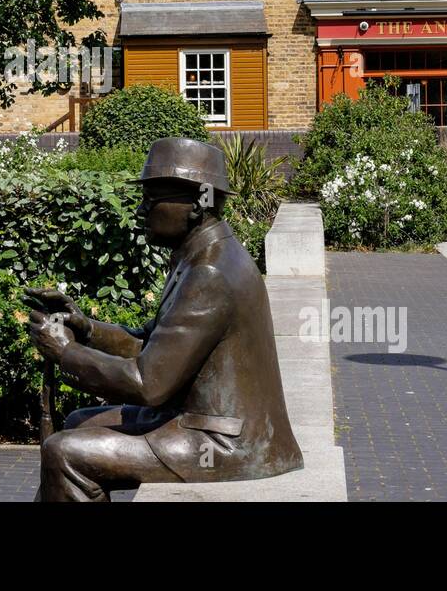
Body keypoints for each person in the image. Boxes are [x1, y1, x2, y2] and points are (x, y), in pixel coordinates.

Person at [25, 136, 303, 501]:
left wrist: (66, 354)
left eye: (153, 199)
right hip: (206, 424)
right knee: (78, 422)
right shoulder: (202, 254)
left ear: (198, 203)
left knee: (64, 452)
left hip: (224, 445)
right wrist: (87, 329)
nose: (142, 209)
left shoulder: (210, 274)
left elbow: (148, 383)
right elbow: (154, 344)